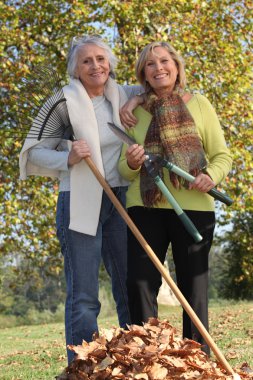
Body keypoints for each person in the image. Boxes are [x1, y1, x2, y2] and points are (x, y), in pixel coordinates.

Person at [19, 35, 142, 364]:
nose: (95, 65)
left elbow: (157, 88)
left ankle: (135, 361)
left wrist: (131, 104)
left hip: (119, 201)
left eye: (101, 58)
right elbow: (33, 153)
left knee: (129, 285)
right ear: (75, 69)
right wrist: (68, 157)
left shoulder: (124, 94)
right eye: (86, 61)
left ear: (110, 63)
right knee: (85, 295)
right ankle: (84, 367)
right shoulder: (61, 102)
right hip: (79, 201)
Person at [118, 41, 232, 355]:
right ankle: (146, 358)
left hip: (193, 206)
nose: (159, 69)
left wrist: (212, 176)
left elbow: (222, 156)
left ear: (177, 66)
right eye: (150, 65)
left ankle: (196, 360)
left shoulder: (200, 104)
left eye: (164, 61)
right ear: (143, 74)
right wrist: (131, 162)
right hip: (145, 206)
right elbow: (122, 169)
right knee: (139, 284)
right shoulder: (135, 112)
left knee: (193, 289)